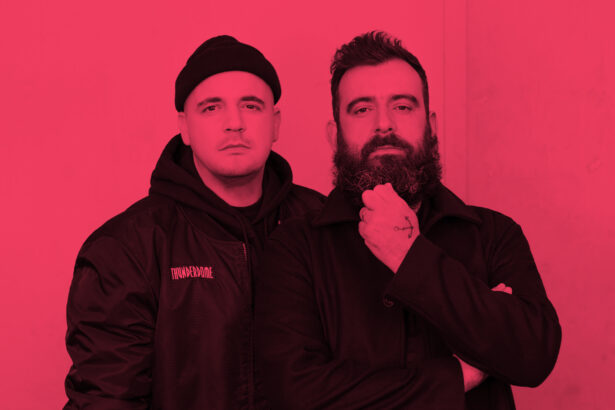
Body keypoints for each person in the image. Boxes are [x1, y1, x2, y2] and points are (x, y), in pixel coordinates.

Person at [254, 31, 561, 410]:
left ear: (431, 126)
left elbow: (533, 355)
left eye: (402, 106)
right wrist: (457, 376)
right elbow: (296, 395)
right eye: (362, 109)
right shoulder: (294, 249)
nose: (384, 125)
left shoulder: (494, 235)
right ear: (335, 135)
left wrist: (409, 256)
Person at [64, 35, 324, 409]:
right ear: (184, 127)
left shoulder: (321, 224)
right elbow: (106, 400)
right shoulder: (127, 250)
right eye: (211, 107)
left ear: (275, 123)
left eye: (251, 106)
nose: (235, 123)